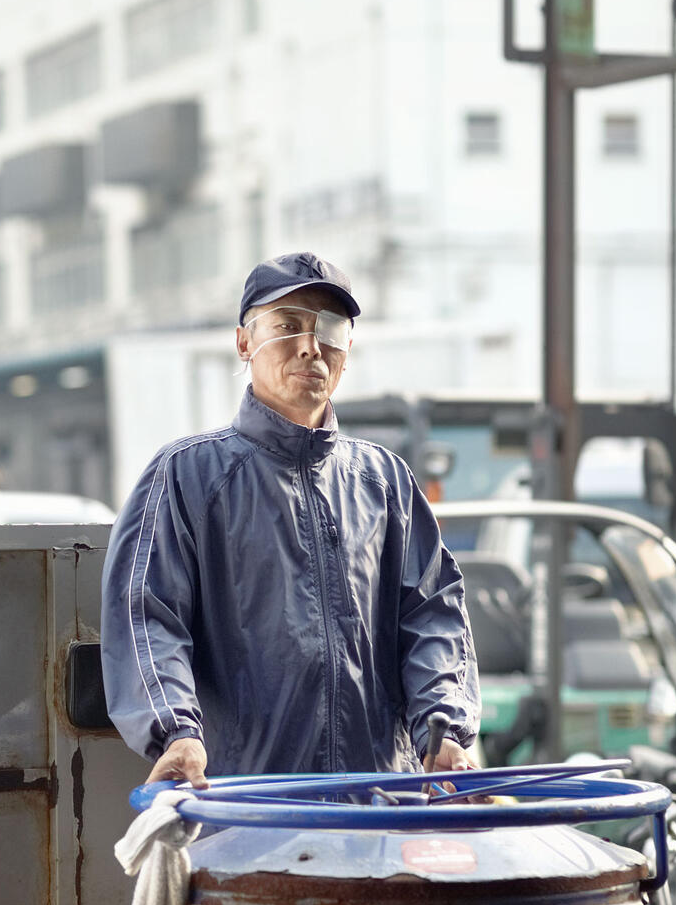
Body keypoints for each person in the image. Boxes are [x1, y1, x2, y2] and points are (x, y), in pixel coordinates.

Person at [101, 251, 479, 789]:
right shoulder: (187, 476)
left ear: (348, 351)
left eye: (329, 328)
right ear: (243, 342)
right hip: (245, 810)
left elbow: (432, 614)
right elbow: (146, 615)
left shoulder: (385, 482)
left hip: (383, 808)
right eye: (287, 325)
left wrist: (442, 729)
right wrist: (177, 733)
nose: (310, 346)